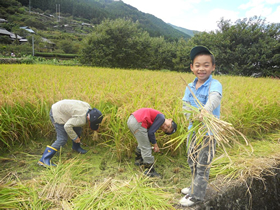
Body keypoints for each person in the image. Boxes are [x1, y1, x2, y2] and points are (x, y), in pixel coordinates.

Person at [179, 46, 222, 207]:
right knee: (192, 160)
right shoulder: (190, 86)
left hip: (208, 133)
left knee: (203, 164)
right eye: (197, 65)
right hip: (193, 131)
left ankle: (197, 196)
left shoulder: (215, 84)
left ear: (213, 67)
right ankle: (193, 187)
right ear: (192, 67)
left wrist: (205, 111)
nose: (201, 69)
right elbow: (185, 103)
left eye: (206, 65)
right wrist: (190, 115)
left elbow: (214, 98)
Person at [38, 99, 103, 167]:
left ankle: (76, 147)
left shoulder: (88, 107)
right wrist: (75, 138)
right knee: (62, 139)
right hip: (57, 112)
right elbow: (67, 126)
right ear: (88, 119)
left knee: (78, 129)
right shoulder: (81, 119)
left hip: (62, 108)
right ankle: (44, 160)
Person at [127, 108, 177, 177]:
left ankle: (138, 160)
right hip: (138, 121)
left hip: (132, 119)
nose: (166, 128)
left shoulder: (158, 119)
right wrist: (155, 145)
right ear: (170, 119)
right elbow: (151, 133)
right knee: (146, 147)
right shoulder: (162, 118)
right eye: (169, 126)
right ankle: (149, 171)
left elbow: (149, 134)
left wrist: (152, 142)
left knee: (144, 142)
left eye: (165, 130)